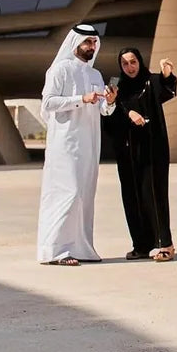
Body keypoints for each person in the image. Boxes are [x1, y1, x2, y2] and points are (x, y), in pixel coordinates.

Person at [36, 24, 117, 266]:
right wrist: (80, 99)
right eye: (87, 42)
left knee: (83, 195)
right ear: (75, 43)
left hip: (89, 143)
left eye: (94, 42)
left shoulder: (95, 75)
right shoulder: (60, 70)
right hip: (65, 142)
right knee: (67, 193)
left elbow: (103, 110)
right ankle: (54, 251)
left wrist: (110, 102)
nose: (92, 47)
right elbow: (48, 103)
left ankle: (80, 248)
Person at [105, 47, 177, 262]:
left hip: (152, 148)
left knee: (154, 195)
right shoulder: (115, 85)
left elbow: (168, 91)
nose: (130, 67)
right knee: (132, 196)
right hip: (127, 151)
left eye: (133, 62)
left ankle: (165, 244)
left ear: (140, 61)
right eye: (125, 63)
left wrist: (167, 74)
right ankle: (141, 245)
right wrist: (124, 110)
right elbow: (108, 114)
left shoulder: (152, 80)